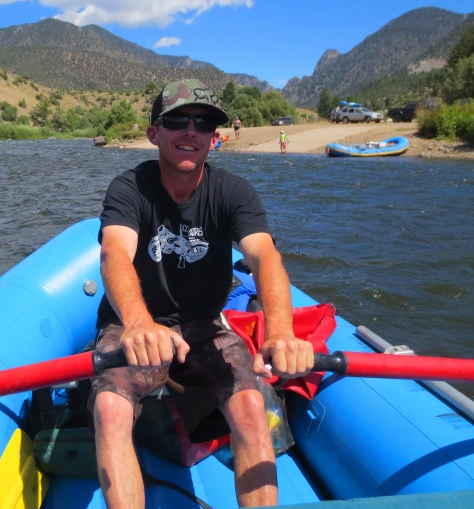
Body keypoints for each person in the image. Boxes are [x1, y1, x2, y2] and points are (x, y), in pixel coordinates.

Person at [92, 79, 314, 508]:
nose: (190, 131)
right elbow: (114, 254)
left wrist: (281, 331)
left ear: (216, 137)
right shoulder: (129, 188)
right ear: (154, 133)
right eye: (177, 120)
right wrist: (139, 323)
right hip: (133, 326)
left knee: (253, 409)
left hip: (204, 326)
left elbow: (265, 258)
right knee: (110, 409)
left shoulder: (234, 192)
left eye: (204, 123)